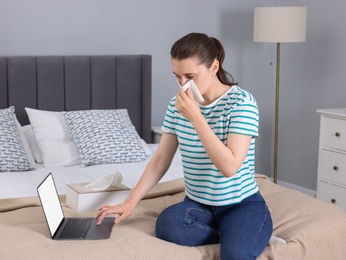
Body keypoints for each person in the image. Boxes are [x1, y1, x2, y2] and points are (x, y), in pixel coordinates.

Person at [96, 32, 273, 259]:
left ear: (213, 67)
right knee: (167, 225)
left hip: (240, 204)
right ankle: (235, 234)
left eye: (189, 76)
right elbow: (160, 160)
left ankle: (248, 231)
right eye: (177, 77)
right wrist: (130, 202)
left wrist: (197, 118)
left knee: (235, 255)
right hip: (198, 204)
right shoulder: (176, 105)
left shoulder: (242, 103)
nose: (183, 85)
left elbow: (229, 167)